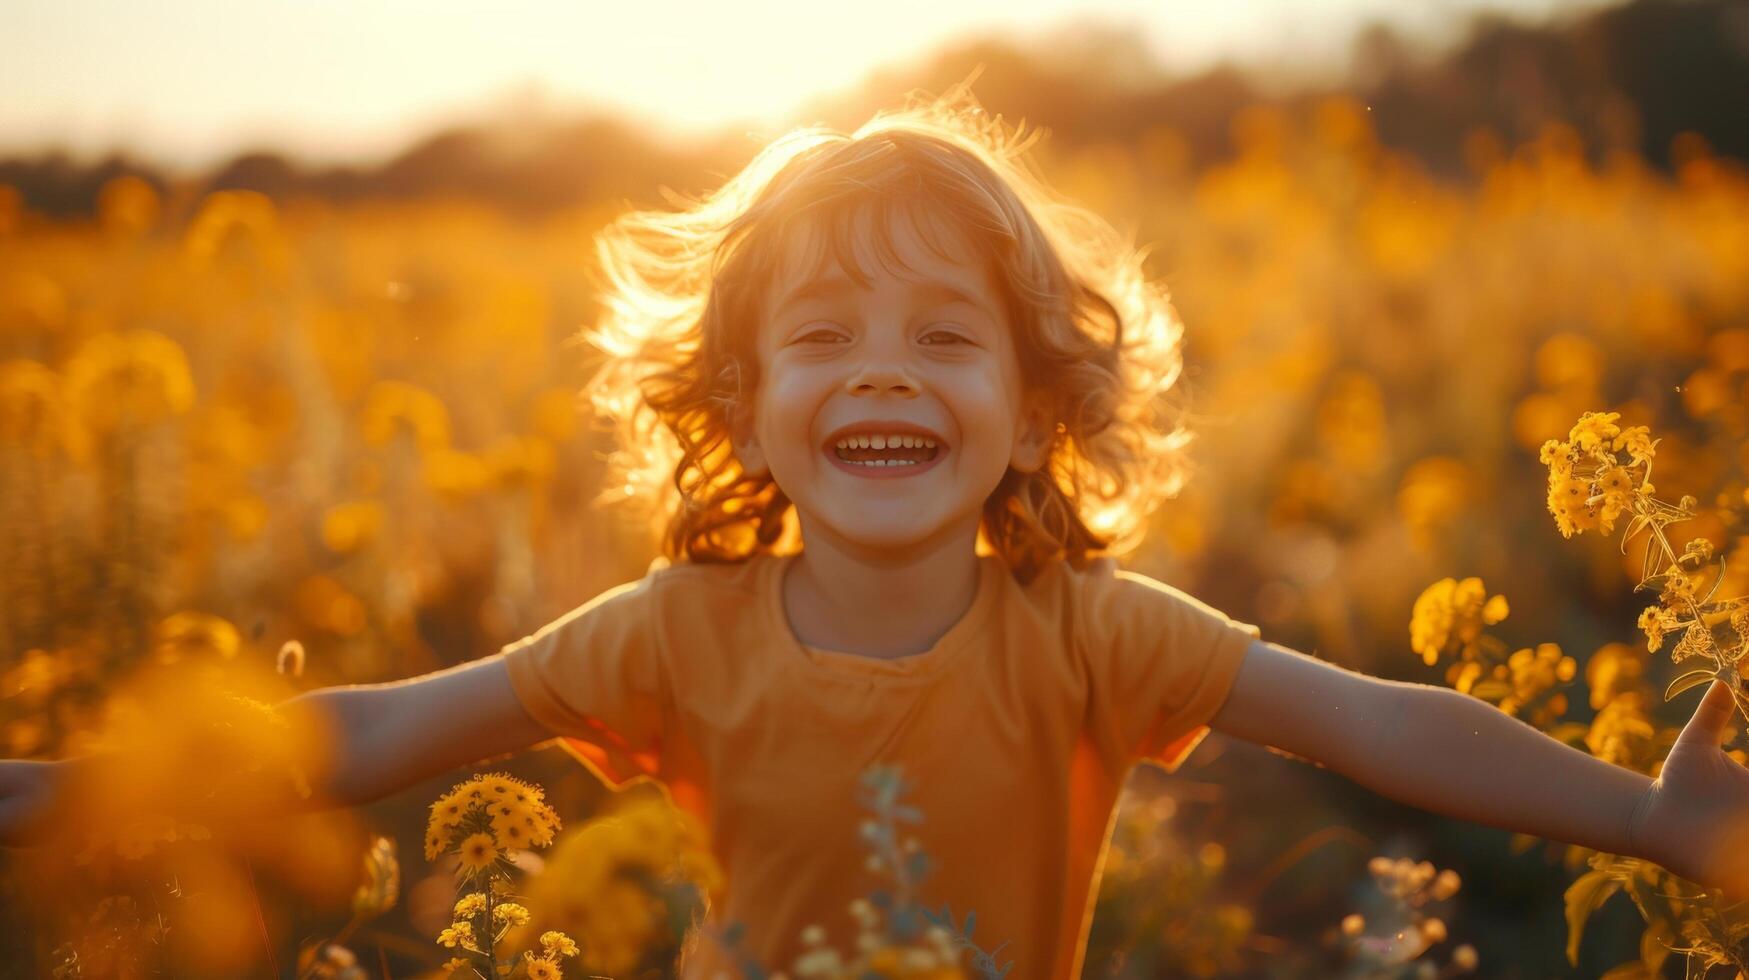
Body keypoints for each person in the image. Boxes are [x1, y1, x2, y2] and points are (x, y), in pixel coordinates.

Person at [3, 86, 1747, 980]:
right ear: (743, 400)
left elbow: (1379, 721)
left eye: (941, 337)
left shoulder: (1088, 627)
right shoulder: (671, 630)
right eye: (821, 342)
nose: (879, 377)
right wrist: (105, 790)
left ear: (1033, 398)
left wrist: (1654, 823)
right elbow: (383, 728)